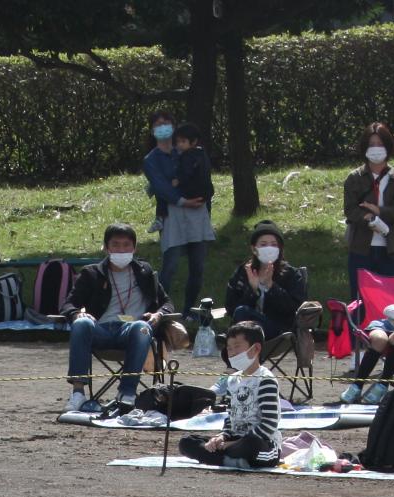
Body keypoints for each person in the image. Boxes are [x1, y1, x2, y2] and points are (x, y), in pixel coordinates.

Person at [61, 222, 173, 415]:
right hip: (100, 329)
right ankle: (78, 392)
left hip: (132, 331)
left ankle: (127, 394)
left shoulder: (145, 272)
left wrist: (159, 314)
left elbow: (167, 303)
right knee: (81, 323)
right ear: (106, 247)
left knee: (142, 327)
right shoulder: (91, 273)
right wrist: (77, 313)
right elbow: (68, 304)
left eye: (126, 245)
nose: (121, 249)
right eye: (116, 245)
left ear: (134, 247)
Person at [180, 321, 279, 469]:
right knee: (187, 442)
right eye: (229, 348)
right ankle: (231, 460)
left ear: (256, 348)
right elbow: (230, 418)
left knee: (250, 445)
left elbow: (269, 424)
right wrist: (221, 437)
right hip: (234, 440)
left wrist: (230, 444)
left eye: (237, 347)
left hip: (259, 444)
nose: (232, 353)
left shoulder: (265, 380)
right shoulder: (232, 380)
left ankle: (222, 458)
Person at [343, 124, 394, 287]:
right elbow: (350, 209)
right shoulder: (354, 177)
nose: (376, 149)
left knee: (390, 298)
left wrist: (380, 211)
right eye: (371, 144)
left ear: (388, 147)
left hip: (390, 248)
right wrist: (366, 218)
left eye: (380, 144)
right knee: (361, 298)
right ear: (364, 148)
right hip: (361, 249)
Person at [158, 122, 215, 311]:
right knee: (170, 265)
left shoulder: (196, 157)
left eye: (183, 141)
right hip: (175, 215)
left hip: (197, 214)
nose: (179, 145)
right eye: (178, 141)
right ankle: (160, 307)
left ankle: (189, 309)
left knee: (197, 267)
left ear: (193, 141)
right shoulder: (165, 157)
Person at [222, 224, 309, 343]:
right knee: (242, 312)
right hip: (245, 328)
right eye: (263, 245)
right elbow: (231, 308)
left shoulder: (292, 274)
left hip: (277, 330)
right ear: (254, 249)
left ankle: (237, 343)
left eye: (274, 245)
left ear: (280, 249)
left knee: (242, 317)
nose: (269, 248)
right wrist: (252, 291)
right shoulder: (243, 272)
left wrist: (271, 286)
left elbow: (294, 309)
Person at [142, 111, 178, 236]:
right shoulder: (151, 159)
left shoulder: (187, 153)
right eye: (158, 124)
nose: (163, 127)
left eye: (166, 123)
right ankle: (159, 219)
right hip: (168, 209)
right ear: (152, 131)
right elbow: (160, 187)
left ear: (173, 127)